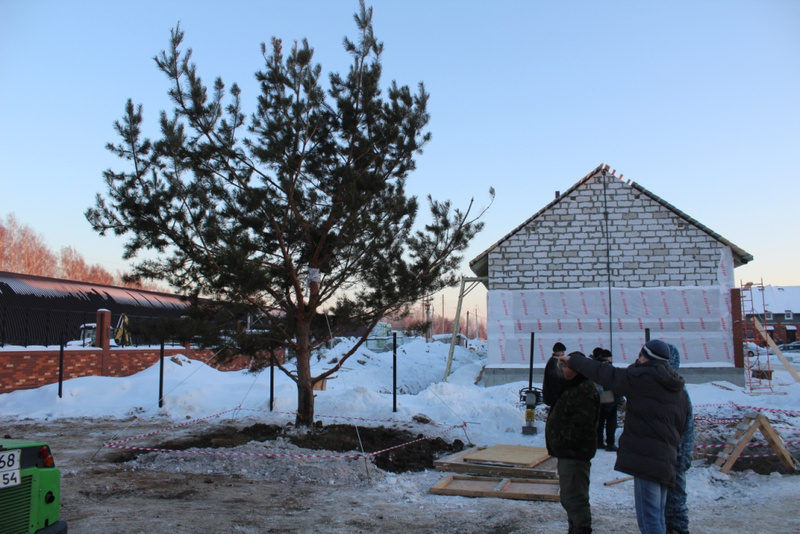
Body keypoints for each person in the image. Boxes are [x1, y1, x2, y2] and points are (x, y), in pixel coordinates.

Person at [560, 339, 688, 534]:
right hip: (666, 460)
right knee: (658, 516)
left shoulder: (644, 378)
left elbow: (605, 373)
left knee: (649, 521)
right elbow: (683, 425)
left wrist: (574, 361)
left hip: (647, 460)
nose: (637, 359)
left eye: (640, 355)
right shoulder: (675, 386)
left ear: (646, 357)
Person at [545, 351, 600, 534]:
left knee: (574, 497)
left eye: (566, 366)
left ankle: (581, 529)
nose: (562, 369)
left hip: (574, 453)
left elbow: (580, 426)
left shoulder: (584, 390)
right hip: (569, 452)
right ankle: (575, 528)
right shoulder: (574, 386)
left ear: (576, 370)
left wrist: (562, 441)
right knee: (570, 496)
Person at [665, 343, 695, 534]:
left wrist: (682, 457)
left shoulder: (679, 393)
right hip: (661, 461)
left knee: (674, 506)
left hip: (673, 460)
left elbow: (687, 428)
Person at [595, 349, 622, 452]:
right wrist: (619, 397)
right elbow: (615, 383)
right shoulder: (610, 368)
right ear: (607, 358)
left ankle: (599, 442)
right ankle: (610, 443)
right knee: (611, 423)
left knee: (600, 422)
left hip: (599, 399)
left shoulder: (596, 367)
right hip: (610, 399)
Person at [542, 342, 567, 407]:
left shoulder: (556, 361)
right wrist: (559, 395)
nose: (563, 353)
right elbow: (554, 381)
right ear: (557, 352)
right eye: (562, 352)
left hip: (554, 396)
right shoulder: (553, 363)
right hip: (553, 397)